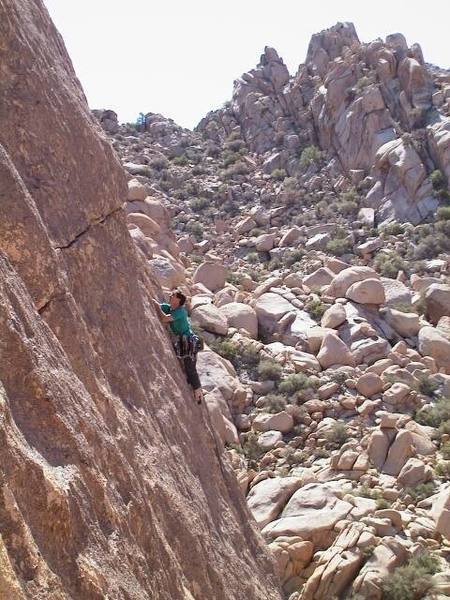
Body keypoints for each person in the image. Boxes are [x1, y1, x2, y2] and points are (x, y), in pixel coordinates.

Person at [153, 290, 203, 404]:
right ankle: (193, 388)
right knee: (187, 368)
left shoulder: (180, 311)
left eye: (173, 295)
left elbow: (165, 318)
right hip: (183, 341)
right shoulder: (170, 308)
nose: (170, 296)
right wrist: (156, 305)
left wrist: (156, 305)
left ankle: (199, 393)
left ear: (179, 300)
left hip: (189, 341)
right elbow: (159, 307)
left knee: (190, 368)